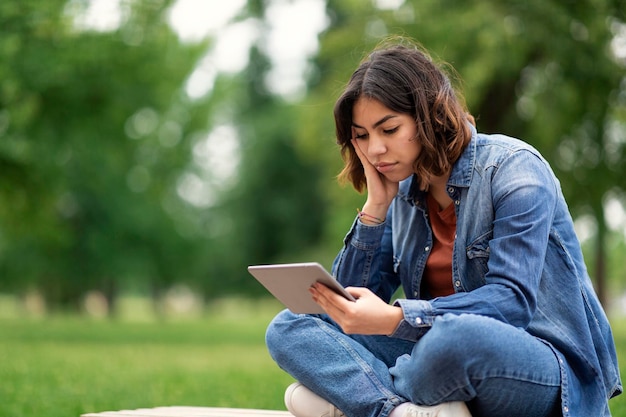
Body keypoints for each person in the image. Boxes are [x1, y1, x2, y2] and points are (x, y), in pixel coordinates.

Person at [265, 38, 622, 417]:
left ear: (428, 115)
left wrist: (396, 319)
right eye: (363, 136)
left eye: (388, 129)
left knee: (454, 336)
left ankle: (352, 400)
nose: (375, 150)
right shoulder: (401, 192)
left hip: (533, 366)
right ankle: (394, 411)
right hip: (434, 360)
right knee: (291, 325)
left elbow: (511, 303)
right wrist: (374, 210)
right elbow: (349, 305)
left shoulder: (514, 169)